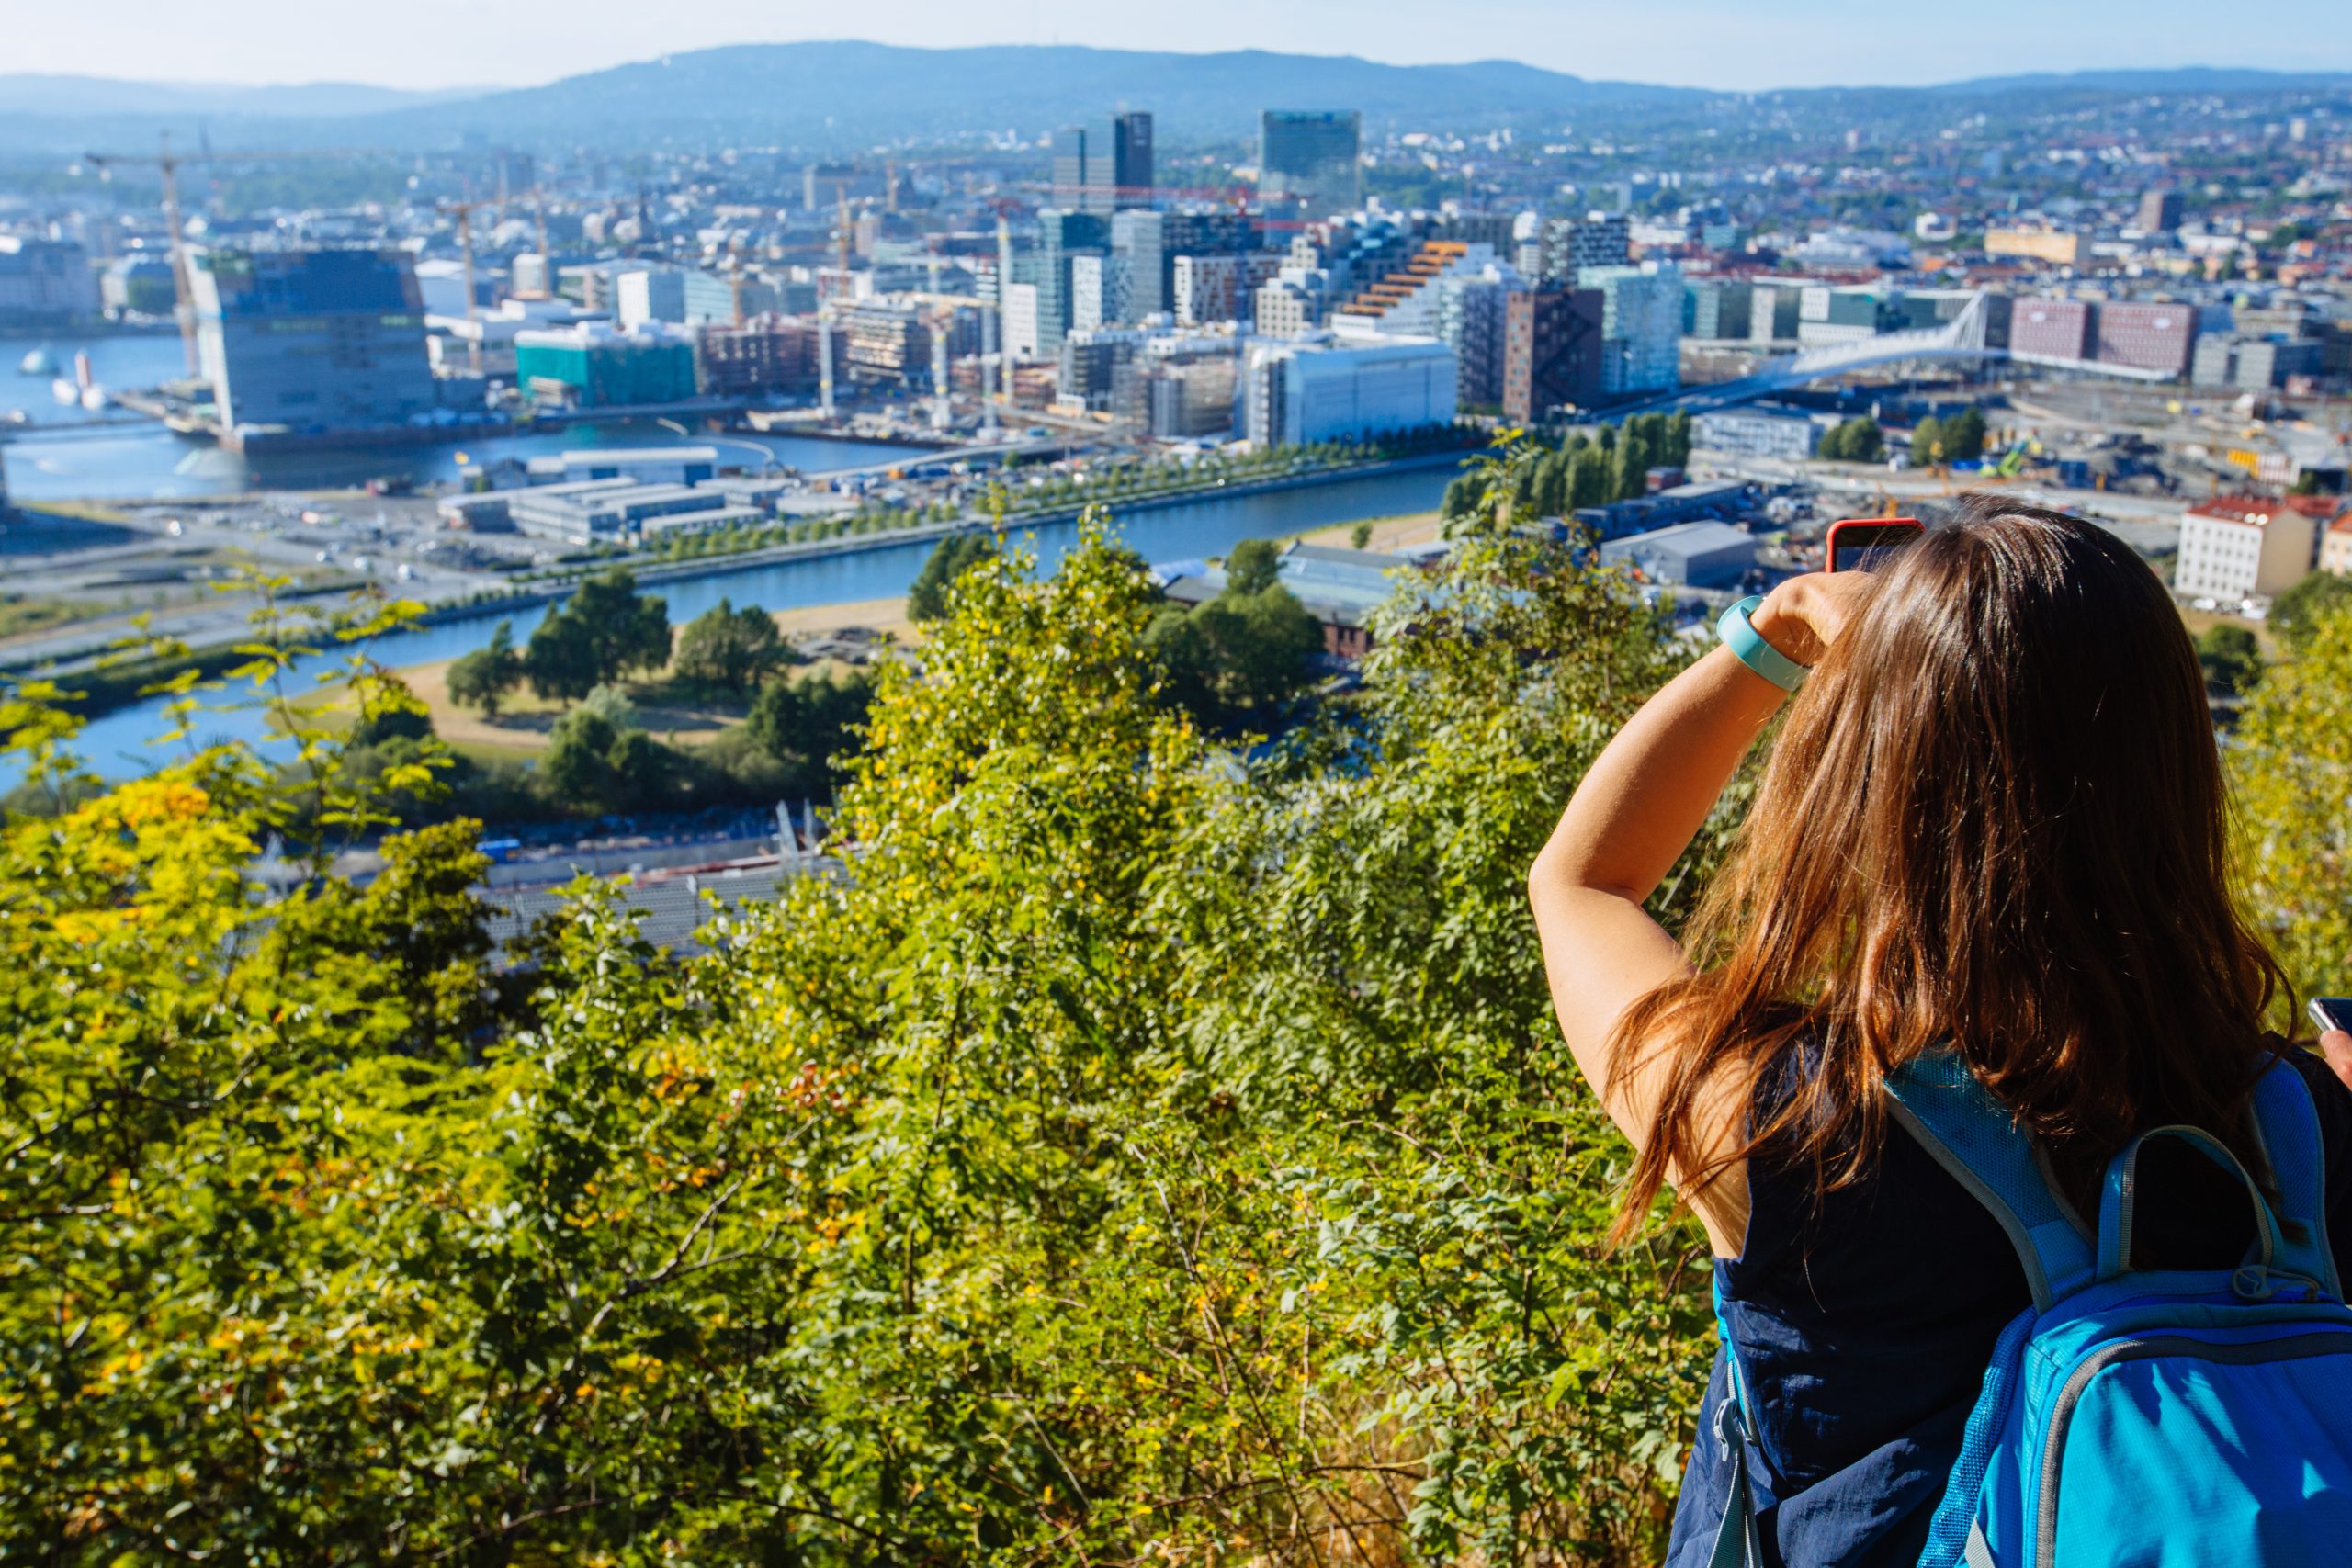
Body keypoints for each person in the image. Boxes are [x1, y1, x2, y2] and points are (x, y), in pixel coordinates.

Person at [1524, 499, 2352, 1567]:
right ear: (2174, 774)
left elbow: (1583, 883)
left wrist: (1768, 638)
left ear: (1878, 784)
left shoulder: (1788, 1127)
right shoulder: (2302, 1126)